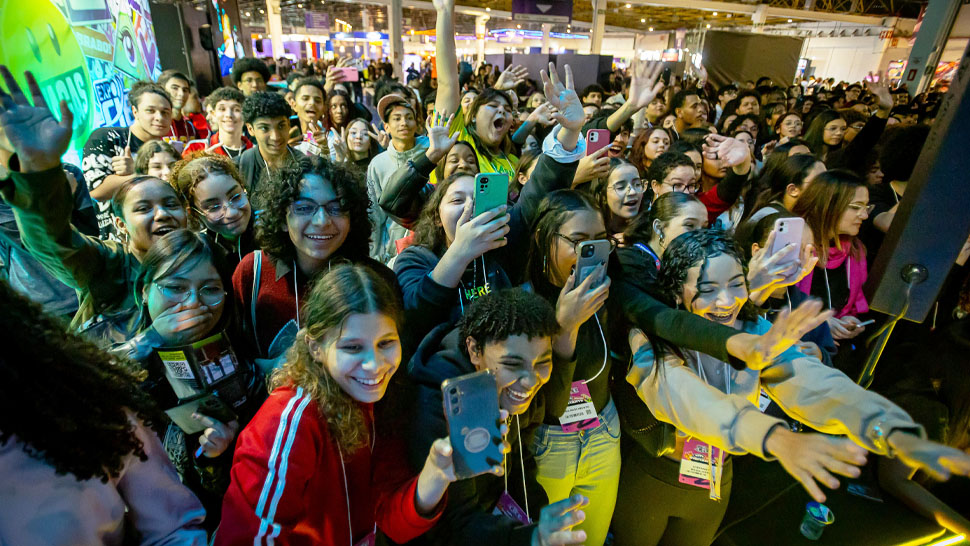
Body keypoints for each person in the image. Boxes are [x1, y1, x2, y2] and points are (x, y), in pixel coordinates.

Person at [619, 229, 970, 545]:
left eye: (736, 284)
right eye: (709, 290)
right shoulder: (650, 339)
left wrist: (880, 423)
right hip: (654, 478)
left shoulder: (754, 328)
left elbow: (809, 381)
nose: (726, 301)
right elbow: (689, 400)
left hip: (715, 483)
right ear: (677, 291)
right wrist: (776, 438)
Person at [217, 264, 458, 544]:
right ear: (315, 348)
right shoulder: (290, 420)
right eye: (352, 347)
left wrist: (437, 473)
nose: (374, 365)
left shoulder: (380, 401)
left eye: (386, 343)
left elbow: (391, 521)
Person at [393, 61, 586, 348]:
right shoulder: (416, 259)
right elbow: (415, 315)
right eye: (458, 200)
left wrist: (570, 132)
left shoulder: (504, 244)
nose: (470, 207)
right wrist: (460, 251)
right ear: (435, 217)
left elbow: (540, 186)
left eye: (478, 198)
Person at [0, 280, 207, 545]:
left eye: (208, 288)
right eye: (175, 288)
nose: (190, 304)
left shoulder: (87, 411)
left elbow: (174, 529)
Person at [407, 288, 591, 546]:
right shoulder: (440, 408)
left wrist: (541, 521)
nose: (530, 380)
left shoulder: (510, 392)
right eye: (512, 365)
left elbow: (519, 461)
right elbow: (455, 524)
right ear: (474, 350)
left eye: (542, 363)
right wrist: (531, 537)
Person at [231, 155, 394, 367]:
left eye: (336, 208)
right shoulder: (253, 273)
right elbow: (233, 360)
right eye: (304, 208)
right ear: (282, 218)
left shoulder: (377, 280)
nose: (322, 221)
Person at [522, 190, 619, 546]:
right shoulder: (525, 301)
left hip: (603, 430)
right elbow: (552, 404)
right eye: (578, 242)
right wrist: (565, 328)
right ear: (542, 238)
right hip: (552, 441)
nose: (589, 254)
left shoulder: (607, 287)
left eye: (599, 242)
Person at [82, 80, 173, 240]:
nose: (159, 117)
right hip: (118, 243)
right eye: (150, 111)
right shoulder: (107, 138)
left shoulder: (167, 150)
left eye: (165, 112)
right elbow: (96, 192)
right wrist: (139, 174)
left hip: (163, 240)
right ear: (135, 111)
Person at [792, 170, 871, 345]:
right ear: (828, 205)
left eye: (866, 207)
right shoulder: (794, 244)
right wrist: (818, 323)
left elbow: (847, 305)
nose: (864, 215)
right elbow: (778, 306)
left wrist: (849, 320)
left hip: (829, 350)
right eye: (856, 207)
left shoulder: (854, 250)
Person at [366, 93, 431, 264]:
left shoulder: (431, 153)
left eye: (409, 118)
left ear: (416, 123)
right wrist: (375, 255)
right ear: (386, 127)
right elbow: (375, 215)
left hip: (431, 243)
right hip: (394, 251)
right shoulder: (378, 164)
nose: (404, 123)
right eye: (397, 118)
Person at [170, 154, 255, 267]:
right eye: (214, 207)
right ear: (195, 213)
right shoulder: (201, 254)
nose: (231, 213)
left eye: (236, 197)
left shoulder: (273, 235)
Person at [619, 191, 708, 287]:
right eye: (689, 225)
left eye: (704, 228)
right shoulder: (629, 262)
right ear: (659, 227)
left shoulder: (692, 266)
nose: (701, 235)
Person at [237, 91, 299, 195]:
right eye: (264, 128)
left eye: (281, 126)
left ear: (289, 124)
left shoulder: (305, 165)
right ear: (250, 129)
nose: (275, 137)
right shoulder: (240, 168)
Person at [183, 87, 254, 160]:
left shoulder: (257, 151)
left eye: (236, 110)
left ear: (245, 114)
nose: (229, 115)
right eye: (222, 109)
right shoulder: (195, 148)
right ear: (214, 114)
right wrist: (203, 164)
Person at [591, 158, 646, 241]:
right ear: (602, 195)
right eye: (621, 187)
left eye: (637, 184)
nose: (632, 192)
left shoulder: (649, 231)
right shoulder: (591, 235)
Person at [286, 78, 330, 158]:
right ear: (293, 104)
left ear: (324, 107)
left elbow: (327, 169)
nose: (312, 103)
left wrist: (325, 149)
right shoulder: (282, 133)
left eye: (317, 100)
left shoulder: (330, 139)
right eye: (305, 99)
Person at [158, 69, 198, 144]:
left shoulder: (190, 127)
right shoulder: (156, 125)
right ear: (162, 89)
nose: (181, 94)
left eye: (185, 90)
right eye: (175, 88)